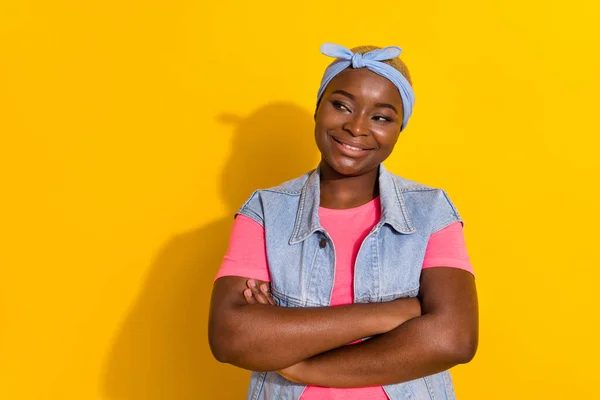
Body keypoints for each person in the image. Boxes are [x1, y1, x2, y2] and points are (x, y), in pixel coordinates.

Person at [209, 43, 478, 400]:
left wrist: (300, 365)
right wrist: (388, 315)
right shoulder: (265, 211)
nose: (356, 127)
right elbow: (231, 338)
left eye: (381, 117)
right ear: (318, 108)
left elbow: (453, 338)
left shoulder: (429, 212)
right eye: (342, 106)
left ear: (401, 129)